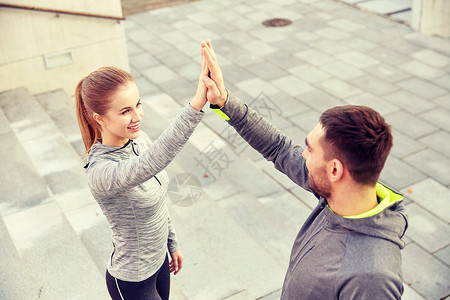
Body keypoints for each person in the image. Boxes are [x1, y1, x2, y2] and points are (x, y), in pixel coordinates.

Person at [201, 40, 408, 299]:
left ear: (335, 170)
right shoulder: (340, 196)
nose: (302, 155)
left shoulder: (372, 278)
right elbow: (278, 148)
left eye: (310, 150)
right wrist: (224, 102)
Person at [74, 50, 209, 300]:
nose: (138, 116)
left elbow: (158, 202)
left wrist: (172, 244)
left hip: (159, 264)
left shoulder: (139, 140)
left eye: (138, 104)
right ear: (99, 118)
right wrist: (197, 103)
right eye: (125, 111)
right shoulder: (101, 172)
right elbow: (152, 162)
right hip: (131, 280)